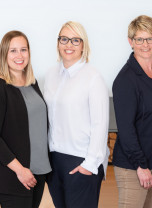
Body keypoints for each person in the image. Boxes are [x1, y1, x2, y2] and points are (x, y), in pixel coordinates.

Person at [112, 15, 152, 208]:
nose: (145, 44)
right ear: (130, 41)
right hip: (134, 166)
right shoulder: (125, 79)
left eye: (150, 38)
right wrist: (141, 165)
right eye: (139, 39)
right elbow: (126, 128)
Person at [0, 30, 51, 208]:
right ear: (4, 54)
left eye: (23, 50)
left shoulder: (32, 83)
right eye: (13, 51)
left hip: (38, 170)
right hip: (14, 175)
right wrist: (20, 170)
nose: (19, 55)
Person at [44, 21, 109, 208]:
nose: (69, 45)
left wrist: (89, 165)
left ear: (83, 45)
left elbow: (100, 124)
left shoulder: (93, 77)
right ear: (58, 43)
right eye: (64, 39)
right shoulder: (50, 74)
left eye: (75, 40)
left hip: (81, 160)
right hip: (55, 160)